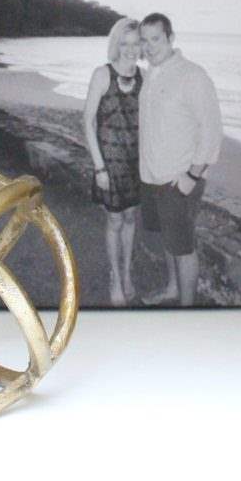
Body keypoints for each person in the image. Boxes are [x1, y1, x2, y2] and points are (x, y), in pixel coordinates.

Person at [137, 12, 223, 306]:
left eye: (156, 39)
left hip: (179, 179)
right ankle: (172, 289)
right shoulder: (151, 75)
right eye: (144, 41)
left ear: (171, 39)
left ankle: (187, 311)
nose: (149, 47)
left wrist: (192, 176)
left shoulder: (192, 76)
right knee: (166, 239)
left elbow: (211, 131)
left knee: (184, 247)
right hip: (151, 176)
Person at [84, 17, 144, 306]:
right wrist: (99, 167)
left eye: (136, 43)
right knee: (115, 220)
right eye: (125, 43)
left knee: (131, 218)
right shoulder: (102, 75)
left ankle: (128, 272)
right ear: (116, 43)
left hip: (136, 164)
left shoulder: (145, 77)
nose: (131, 49)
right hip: (110, 163)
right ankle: (115, 277)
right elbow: (87, 122)